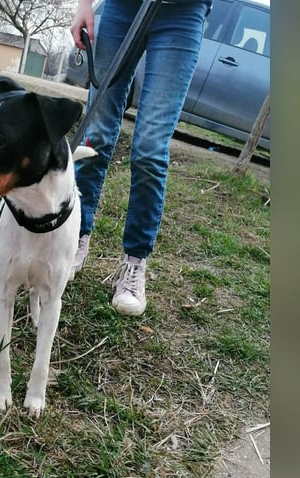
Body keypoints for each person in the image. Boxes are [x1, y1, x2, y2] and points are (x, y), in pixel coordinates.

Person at [69, 0, 212, 316]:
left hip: (183, 13)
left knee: (150, 148)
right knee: (97, 133)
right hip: (122, 8)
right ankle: (74, 236)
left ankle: (134, 262)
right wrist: (84, 5)